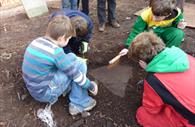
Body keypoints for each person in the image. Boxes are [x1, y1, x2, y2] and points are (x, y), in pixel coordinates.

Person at [22, 15, 98, 116]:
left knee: (71, 56)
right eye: (69, 39)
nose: (69, 41)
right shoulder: (56, 52)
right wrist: (90, 86)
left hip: (34, 87)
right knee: (80, 65)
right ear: (61, 38)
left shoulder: (36, 41)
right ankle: (79, 104)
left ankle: (68, 88)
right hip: (45, 92)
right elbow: (75, 75)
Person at [128, 32, 195, 127]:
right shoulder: (184, 56)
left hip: (191, 119)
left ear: (142, 62)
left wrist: (148, 70)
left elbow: (152, 109)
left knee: (142, 114)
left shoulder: (154, 80)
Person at [119, 0, 187, 56]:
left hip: (164, 32)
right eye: (153, 14)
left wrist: (179, 24)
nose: (154, 18)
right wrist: (127, 47)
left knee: (178, 33)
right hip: (150, 34)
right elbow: (136, 31)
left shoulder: (177, 14)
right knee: (144, 42)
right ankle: (152, 52)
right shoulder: (145, 15)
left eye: (158, 17)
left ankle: (167, 54)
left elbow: (178, 22)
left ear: (167, 14)